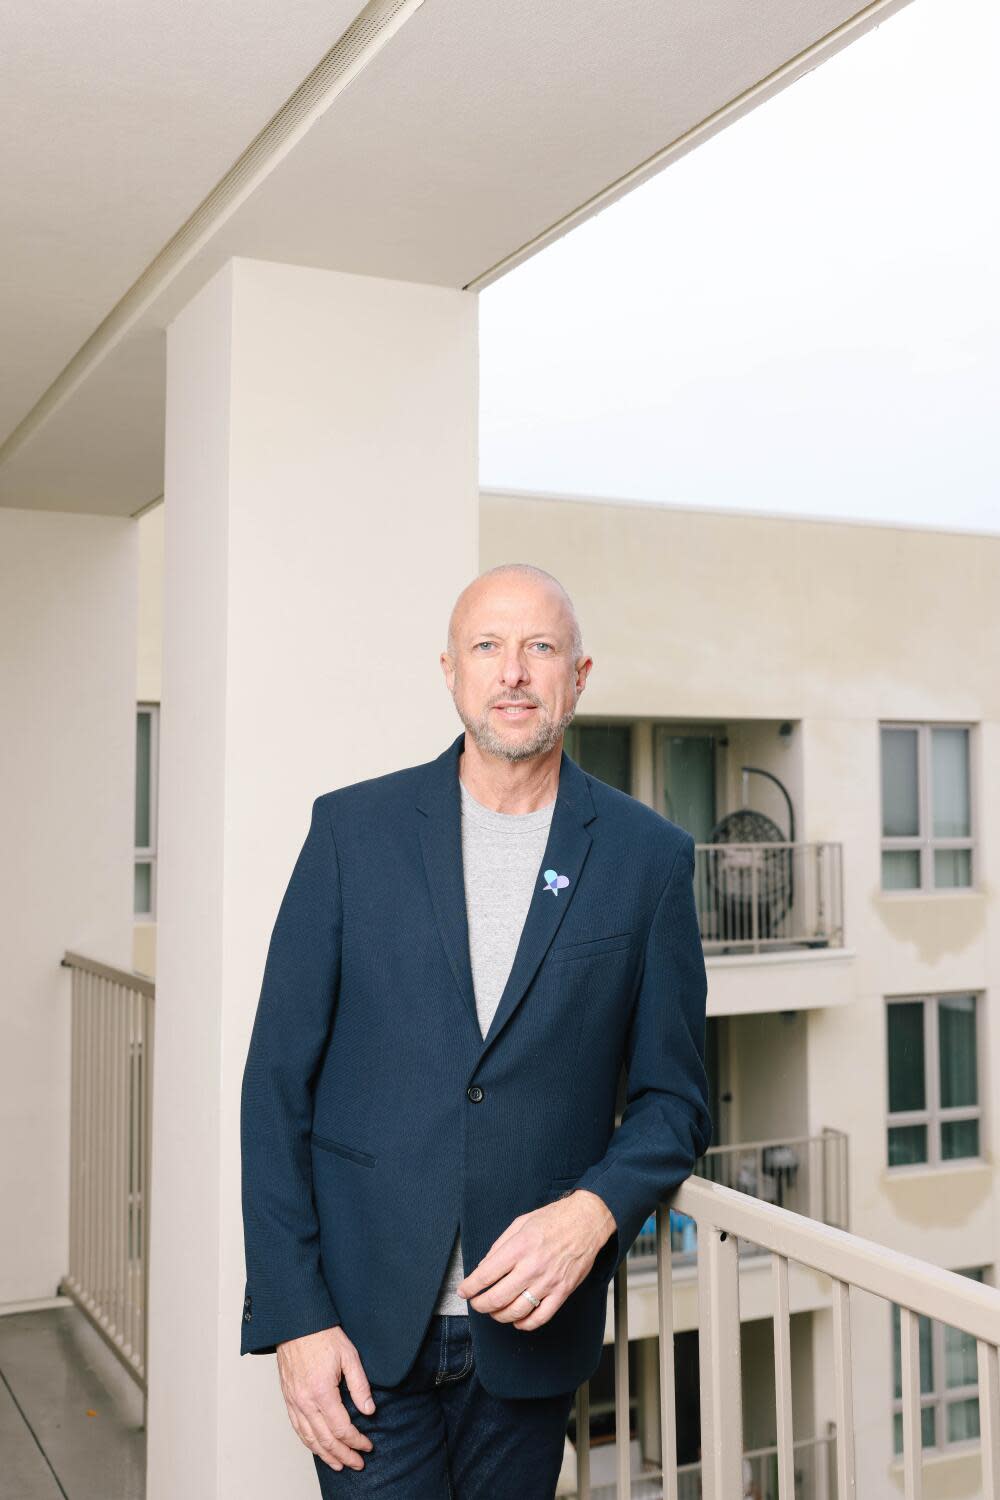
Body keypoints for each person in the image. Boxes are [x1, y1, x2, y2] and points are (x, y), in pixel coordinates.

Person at [239, 562, 711, 1498]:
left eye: (540, 647)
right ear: (450, 670)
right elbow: (275, 1088)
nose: (514, 673)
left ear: (578, 676)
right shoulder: (350, 833)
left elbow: (674, 1103)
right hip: (362, 1336)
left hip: (530, 1337)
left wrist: (594, 1212)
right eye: (489, 647)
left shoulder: (647, 859)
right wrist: (296, 1320)